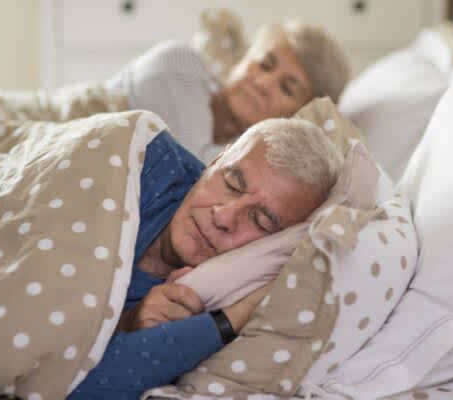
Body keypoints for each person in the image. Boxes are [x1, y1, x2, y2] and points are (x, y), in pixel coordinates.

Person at [68, 117, 344, 399]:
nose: (224, 216)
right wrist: (125, 323)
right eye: (232, 183)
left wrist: (228, 320)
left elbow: (67, 390)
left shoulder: (216, 303)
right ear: (215, 161)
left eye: (261, 221)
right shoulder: (145, 163)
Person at [105, 19, 350, 163]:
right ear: (244, 59)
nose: (263, 83)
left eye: (286, 88)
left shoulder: (250, 154)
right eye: (264, 64)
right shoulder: (180, 64)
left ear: (301, 115)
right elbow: (187, 170)